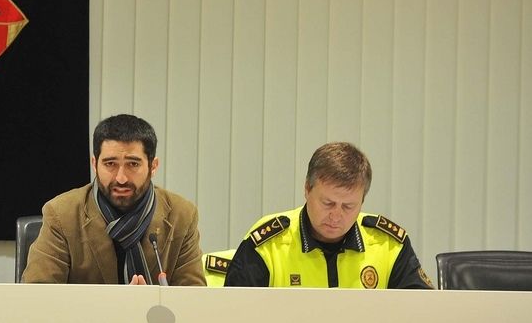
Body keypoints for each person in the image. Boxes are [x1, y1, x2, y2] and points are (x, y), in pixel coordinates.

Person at [22, 114, 205, 285]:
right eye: (110, 164)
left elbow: (193, 298)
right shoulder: (61, 214)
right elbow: (37, 293)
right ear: (95, 164)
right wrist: (121, 304)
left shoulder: (182, 215)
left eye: (133, 164)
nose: (121, 178)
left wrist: (149, 301)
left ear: (153, 166)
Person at [224, 142, 433, 289]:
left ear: (362, 201)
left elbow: (420, 314)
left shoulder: (388, 245)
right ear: (307, 189)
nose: (336, 215)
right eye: (328, 203)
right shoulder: (268, 245)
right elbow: (235, 316)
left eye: (348, 206)